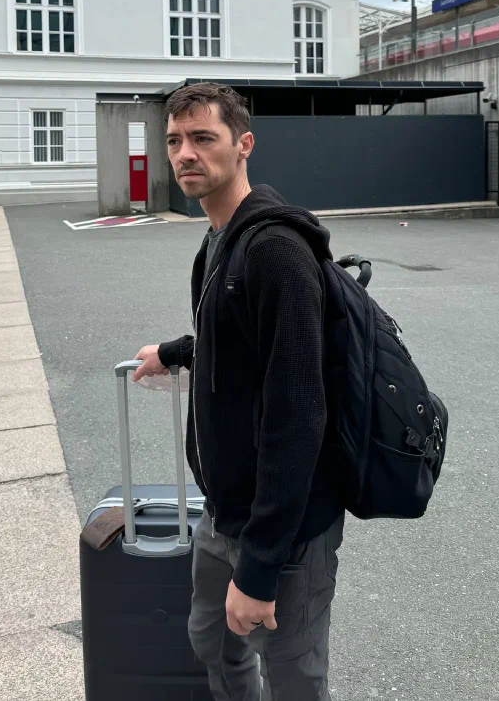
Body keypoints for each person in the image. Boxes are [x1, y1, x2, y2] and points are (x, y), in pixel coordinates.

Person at [134, 82, 344, 700]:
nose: (184, 154)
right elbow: (235, 341)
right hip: (226, 510)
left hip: (285, 525)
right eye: (174, 140)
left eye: (203, 138)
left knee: (292, 675)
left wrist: (259, 568)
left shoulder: (275, 250)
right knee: (212, 641)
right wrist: (174, 352)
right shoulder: (217, 240)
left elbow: (298, 412)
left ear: (243, 144)